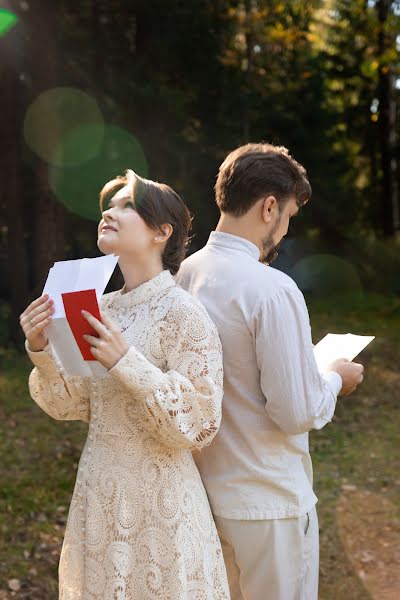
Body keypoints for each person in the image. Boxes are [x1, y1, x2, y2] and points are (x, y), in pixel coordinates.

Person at [20, 170, 230, 600]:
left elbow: (201, 424)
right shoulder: (94, 306)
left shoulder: (184, 314)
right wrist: (40, 349)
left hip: (163, 507)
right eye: (107, 207)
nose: (109, 214)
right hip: (99, 495)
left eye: (126, 205)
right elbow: (71, 404)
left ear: (161, 232)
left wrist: (126, 362)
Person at [176, 143, 364, 600]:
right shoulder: (272, 289)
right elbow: (296, 411)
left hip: (203, 492)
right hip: (268, 499)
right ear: (269, 207)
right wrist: (336, 378)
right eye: (289, 217)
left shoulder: (185, 273)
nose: (283, 231)